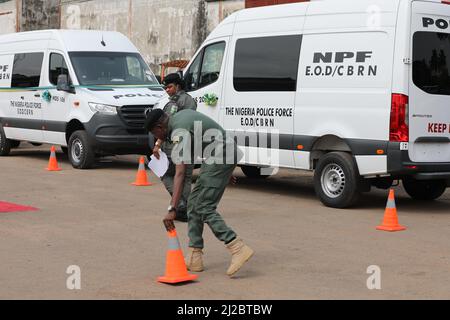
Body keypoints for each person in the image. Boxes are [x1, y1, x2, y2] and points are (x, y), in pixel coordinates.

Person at [144, 108, 254, 277]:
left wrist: (172, 208)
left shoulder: (179, 132)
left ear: (160, 126)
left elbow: (180, 173)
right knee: (193, 204)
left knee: (204, 205)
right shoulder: (178, 118)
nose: (158, 137)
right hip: (219, 156)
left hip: (221, 156)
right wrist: (225, 170)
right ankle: (195, 255)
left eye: (155, 133)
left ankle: (237, 247)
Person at [153, 73, 197, 222]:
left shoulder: (177, 102)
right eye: (166, 88)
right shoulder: (183, 101)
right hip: (185, 143)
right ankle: (186, 208)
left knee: (167, 174)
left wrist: (158, 143)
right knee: (185, 177)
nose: (167, 90)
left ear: (178, 86)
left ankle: (182, 206)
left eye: (170, 87)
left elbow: (168, 125)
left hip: (178, 145)